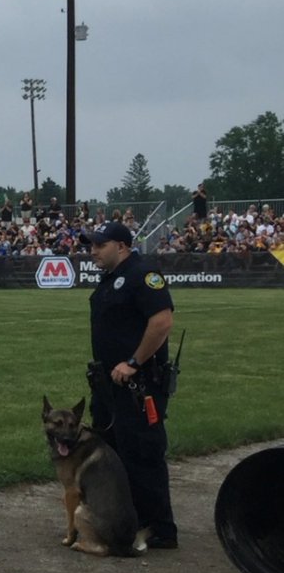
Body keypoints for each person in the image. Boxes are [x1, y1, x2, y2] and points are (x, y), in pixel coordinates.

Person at [86, 220, 178, 550]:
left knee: (142, 453)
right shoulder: (111, 279)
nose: (93, 251)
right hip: (109, 386)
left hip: (138, 385)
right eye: (92, 245)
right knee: (113, 454)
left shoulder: (143, 274)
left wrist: (134, 362)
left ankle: (159, 528)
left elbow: (162, 321)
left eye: (100, 245)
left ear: (122, 246)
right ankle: (125, 520)